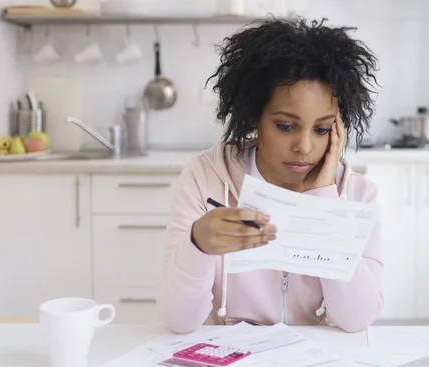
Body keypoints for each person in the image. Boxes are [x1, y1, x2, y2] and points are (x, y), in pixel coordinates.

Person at [158, 17, 383, 333]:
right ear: (254, 116)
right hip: (231, 364)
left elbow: (356, 320)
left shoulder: (357, 194)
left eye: (320, 129)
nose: (304, 147)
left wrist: (323, 205)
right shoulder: (205, 178)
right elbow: (179, 322)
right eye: (286, 126)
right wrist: (197, 245)